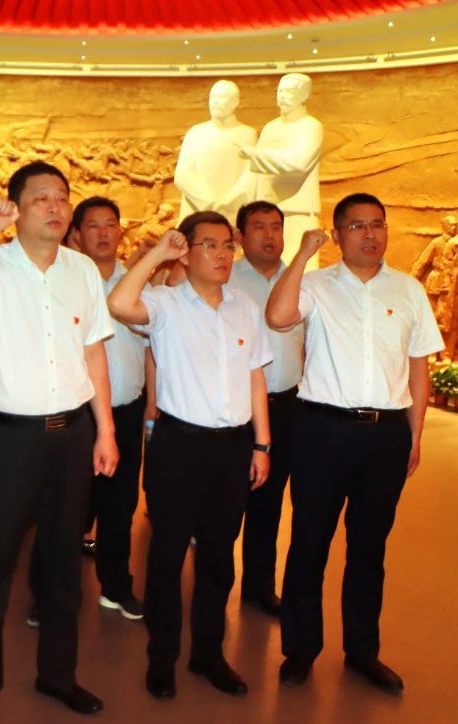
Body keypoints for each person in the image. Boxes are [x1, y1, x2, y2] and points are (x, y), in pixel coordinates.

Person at [0, 161, 117, 723]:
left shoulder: (82, 270)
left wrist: (106, 430)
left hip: (71, 435)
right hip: (5, 441)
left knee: (63, 566)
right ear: (15, 207)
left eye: (62, 197)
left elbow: (94, 351)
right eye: (41, 198)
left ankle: (57, 675)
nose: (56, 207)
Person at [265, 193, 443, 693]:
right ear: (338, 233)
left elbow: (419, 367)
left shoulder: (408, 290)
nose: (370, 234)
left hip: (386, 436)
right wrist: (303, 255)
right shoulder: (316, 284)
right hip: (322, 432)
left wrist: (414, 435)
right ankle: (301, 648)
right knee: (309, 542)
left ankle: (363, 651)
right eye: (358, 225)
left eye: (378, 224)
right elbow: (277, 317)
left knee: (369, 547)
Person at [108, 211, 272, 701]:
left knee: (219, 557)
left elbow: (256, 376)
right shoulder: (165, 303)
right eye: (209, 245)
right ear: (187, 252)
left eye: (227, 246)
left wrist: (262, 443)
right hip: (178, 446)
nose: (222, 255)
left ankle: (208, 654)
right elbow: (119, 303)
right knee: (167, 555)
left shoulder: (245, 306)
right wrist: (159, 254)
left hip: (234, 447)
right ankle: (162, 658)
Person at [66, 196, 149, 621]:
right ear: (77, 234)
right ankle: (52, 594)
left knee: (120, 506)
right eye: (93, 225)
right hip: (76, 414)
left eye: (110, 224)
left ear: (120, 231)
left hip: (127, 410)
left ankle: (115, 587)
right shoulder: (65, 279)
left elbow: (151, 347)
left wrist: (151, 407)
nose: (103, 232)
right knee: (66, 507)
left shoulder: (137, 282)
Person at [229, 201, 305, 615]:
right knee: (226, 503)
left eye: (276, 226)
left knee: (270, 501)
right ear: (240, 236)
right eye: (259, 227)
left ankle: (258, 587)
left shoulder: (300, 280)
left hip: (287, 406)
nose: (270, 235)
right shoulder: (226, 278)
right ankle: (212, 589)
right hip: (236, 410)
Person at [240, 73, 324, 262]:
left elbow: (299, 162)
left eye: (290, 91)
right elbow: (255, 174)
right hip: (267, 209)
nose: (283, 96)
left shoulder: (311, 126)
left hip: (298, 209)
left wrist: (255, 154)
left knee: (300, 265)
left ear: (304, 95)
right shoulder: (271, 128)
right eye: (280, 91)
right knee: (263, 266)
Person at [174, 80, 258, 224]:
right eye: (213, 97)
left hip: (233, 214)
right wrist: (211, 203)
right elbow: (183, 174)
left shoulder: (247, 134)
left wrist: (229, 204)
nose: (215, 102)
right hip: (198, 213)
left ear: (235, 102)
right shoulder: (196, 133)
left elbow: (251, 176)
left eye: (222, 97)